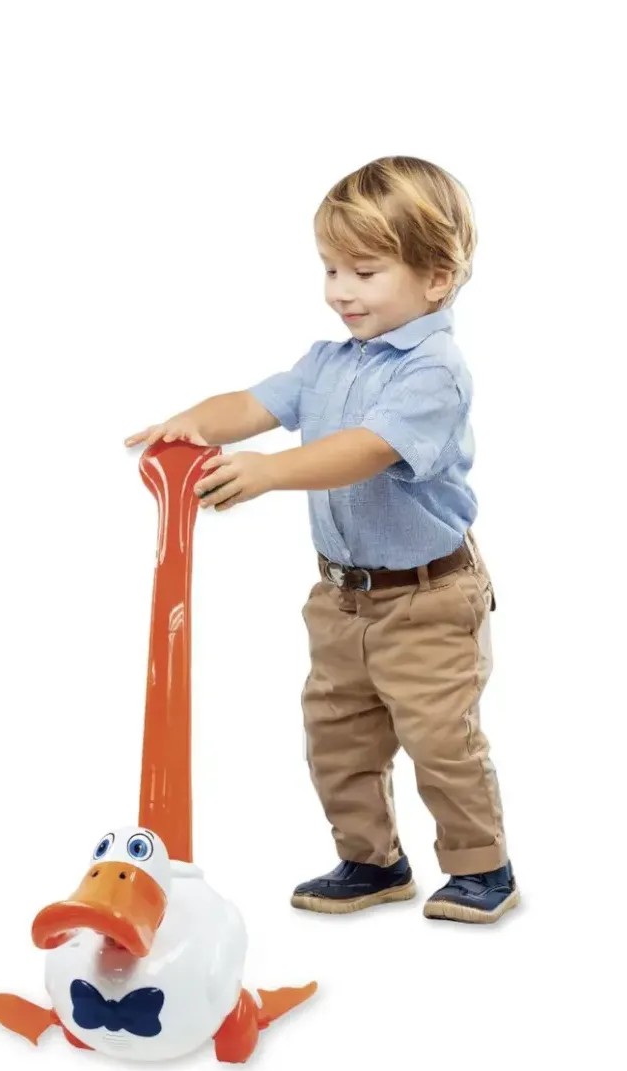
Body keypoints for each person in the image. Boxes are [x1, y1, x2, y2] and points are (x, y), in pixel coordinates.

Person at [125, 156, 517, 924]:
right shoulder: (329, 362)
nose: (340, 290)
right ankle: (372, 861)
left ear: (436, 278)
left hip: (429, 599)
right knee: (337, 736)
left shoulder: (433, 373)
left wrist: (271, 473)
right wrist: (193, 423)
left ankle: (481, 867)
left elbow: (367, 450)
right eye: (331, 268)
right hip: (342, 598)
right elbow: (254, 403)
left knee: (440, 738)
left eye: (365, 272)